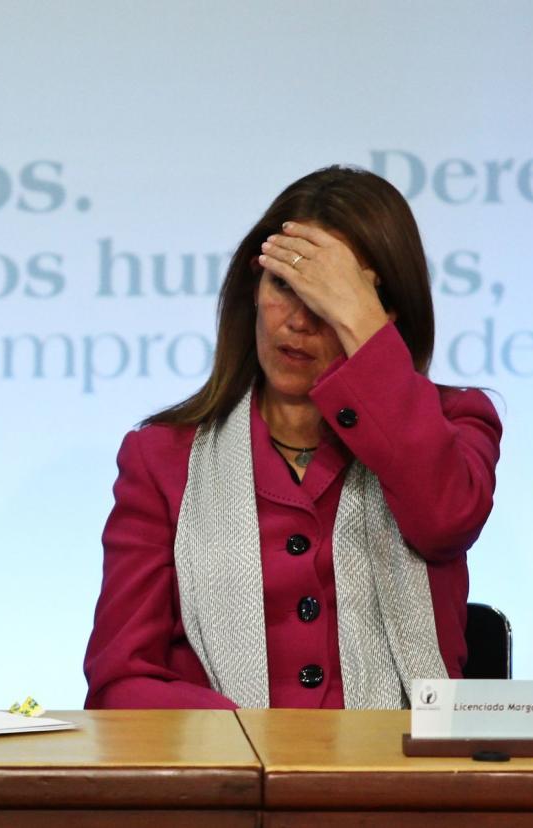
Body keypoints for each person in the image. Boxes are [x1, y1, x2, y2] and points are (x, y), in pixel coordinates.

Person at [83, 165, 501, 710]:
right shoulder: (161, 458)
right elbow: (120, 682)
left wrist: (366, 332)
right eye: (283, 284)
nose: (298, 321)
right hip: (231, 780)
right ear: (252, 290)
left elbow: (446, 520)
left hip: (395, 781)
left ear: (383, 314)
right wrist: (258, 749)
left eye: (329, 297)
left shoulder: (455, 423)